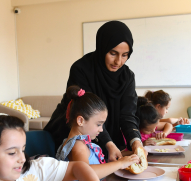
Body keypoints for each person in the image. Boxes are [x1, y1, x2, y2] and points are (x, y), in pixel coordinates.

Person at [44, 21, 143, 162]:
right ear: (103, 48)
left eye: (124, 55)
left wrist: (136, 141)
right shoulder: (81, 69)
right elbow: (87, 113)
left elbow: (127, 114)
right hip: (77, 133)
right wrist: (109, 143)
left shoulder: (127, 76)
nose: (118, 62)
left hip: (101, 132)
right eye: (113, 53)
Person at [55, 86, 139, 181]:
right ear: (80, 121)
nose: (101, 130)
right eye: (99, 124)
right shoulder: (77, 145)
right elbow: (87, 172)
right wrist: (120, 163)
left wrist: (128, 157)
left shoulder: (80, 142)